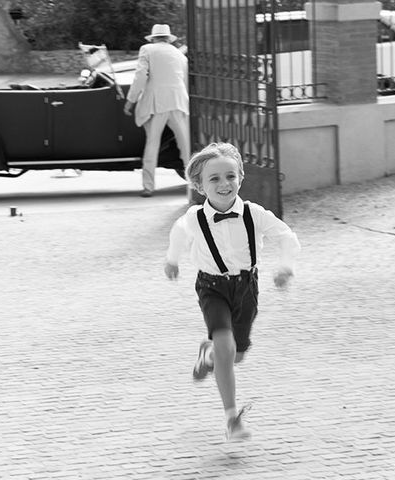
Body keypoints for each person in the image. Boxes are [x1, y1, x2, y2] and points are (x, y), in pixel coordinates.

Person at [164, 142, 301, 442]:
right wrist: (172, 260)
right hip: (211, 286)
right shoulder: (194, 218)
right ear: (200, 186)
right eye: (214, 179)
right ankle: (232, 419)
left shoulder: (255, 214)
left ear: (240, 176)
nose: (224, 184)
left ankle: (209, 354)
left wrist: (285, 266)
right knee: (226, 346)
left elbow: (286, 236)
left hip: (247, 287)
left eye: (230, 176)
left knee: (235, 355)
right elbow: (177, 232)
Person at [123, 24, 190, 198]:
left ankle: (148, 186)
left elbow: (140, 76)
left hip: (157, 104)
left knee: (152, 144)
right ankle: (195, 186)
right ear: (168, 38)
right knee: (185, 146)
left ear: (153, 38)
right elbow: (183, 79)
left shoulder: (147, 49)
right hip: (178, 101)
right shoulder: (178, 54)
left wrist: (130, 101)